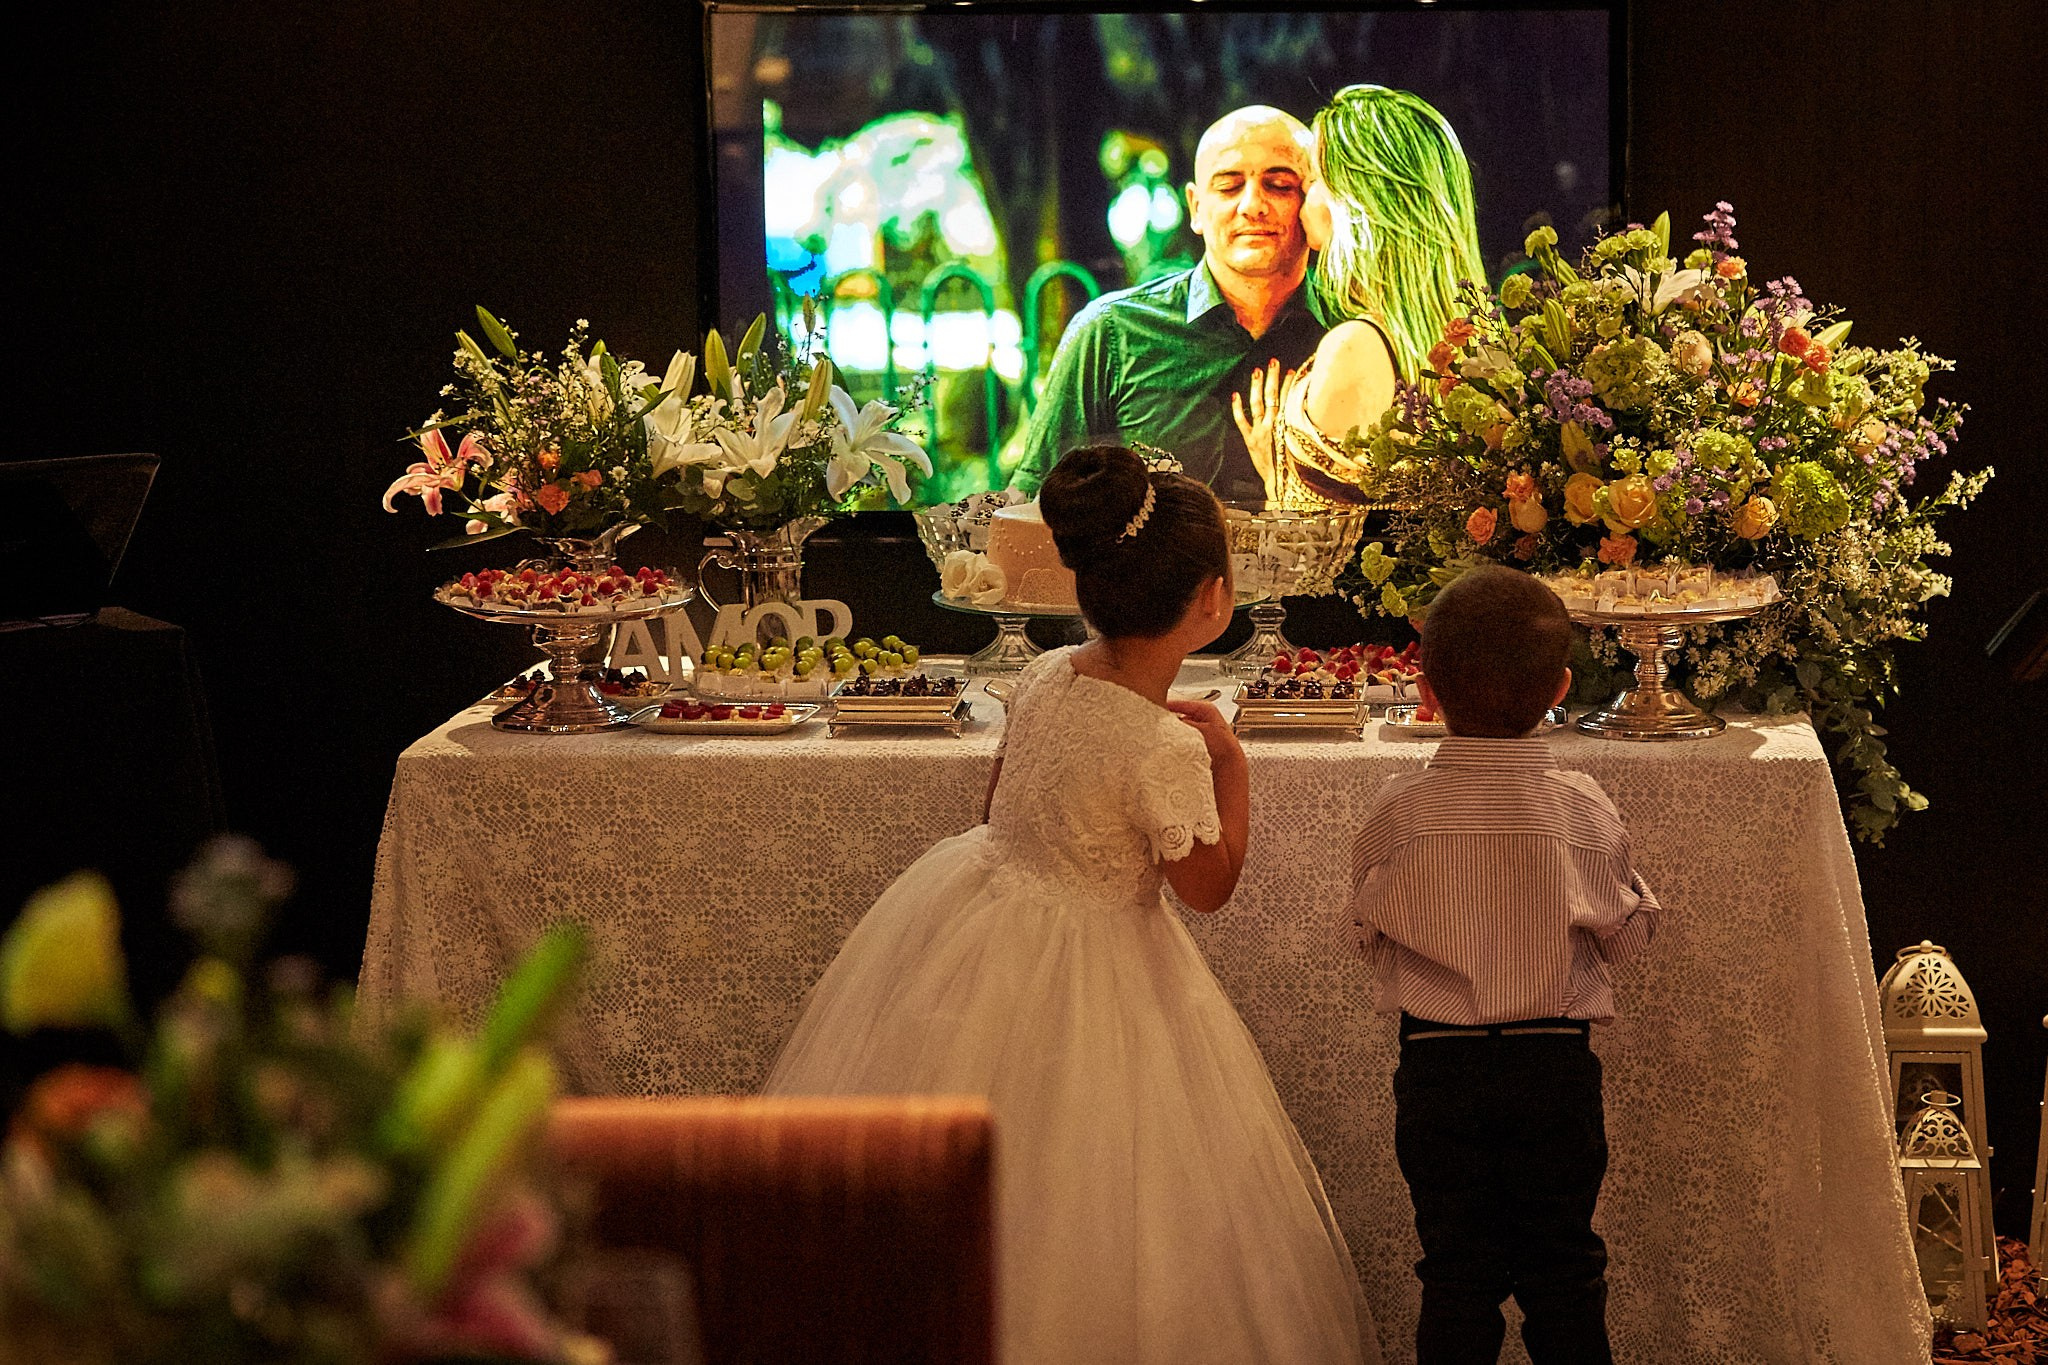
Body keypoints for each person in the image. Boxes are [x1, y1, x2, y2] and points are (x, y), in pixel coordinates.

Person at [768, 445, 1377, 1365]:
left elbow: (995, 804)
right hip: (1102, 970)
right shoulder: (1164, 748)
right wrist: (1231, 769)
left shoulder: (1044, 676)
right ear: (1214, 599)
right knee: (1092, 1191)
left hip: (975, 918)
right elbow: (1209, 890)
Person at [1347, 565, 1660, 1365]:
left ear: (1425, 683)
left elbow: (1362, 931)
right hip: (1553, 1066)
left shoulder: (1398, 808)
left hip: (1436, 1069)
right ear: (1560, 684)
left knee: (1455, 1275)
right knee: (1565, 1272)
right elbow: (1622, 942)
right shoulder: (1583, 806)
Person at [1012, 108, 1326, 503]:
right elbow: (1031, 510)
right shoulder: (1111, 333)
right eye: (1228, 187)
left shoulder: (1350, 336)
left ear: (1315, 200)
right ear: (1196, 208)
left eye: (1279, 185)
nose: (1252, 205)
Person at [1234, 85, 1488, 508]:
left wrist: (1280, 479)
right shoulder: (1481, 335)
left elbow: (1318, 549)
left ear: (1351, 202)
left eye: (1311, 180)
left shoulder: (1355, 346)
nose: (1300, 203)